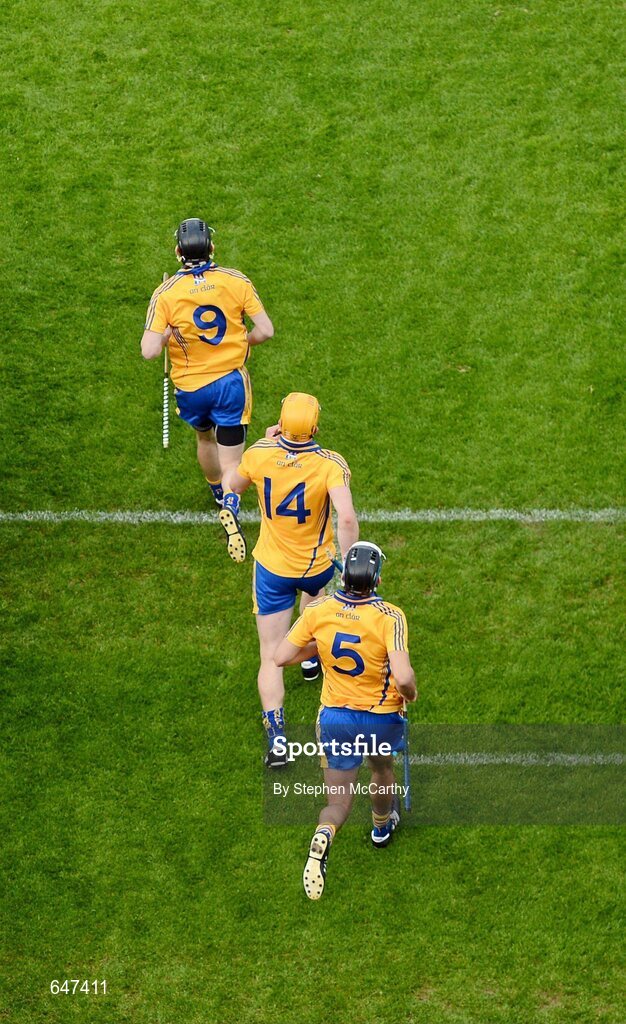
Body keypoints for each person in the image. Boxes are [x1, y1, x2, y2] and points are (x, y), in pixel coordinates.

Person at [220, 392, 359, 766]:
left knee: (270, 655)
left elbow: (231, 484)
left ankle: (278, 741)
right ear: (314, 427)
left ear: (280, 422)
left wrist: (265, 443)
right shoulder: (330, 464)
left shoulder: (260, 453)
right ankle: (311, 661)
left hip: (271, 568)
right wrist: (349, 563)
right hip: (316, 567)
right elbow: (345, 518)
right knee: (314, 618)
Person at [274, 541, 417, 900]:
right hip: (380, 718)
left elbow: (281, 656)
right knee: (381, 771)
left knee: (337, 802)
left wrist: (320, 650)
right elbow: (402, 678)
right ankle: (381, 828)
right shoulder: (390, 616)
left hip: (336, 717)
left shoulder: (320, 609)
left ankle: (325, 831)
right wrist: (411, 694)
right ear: (377, 579)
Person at [140, 218, 274, 505]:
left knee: (204, 439)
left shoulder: (165, 293)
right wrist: (242, 342)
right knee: (231, 463)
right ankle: (230, 502)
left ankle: (217, 491)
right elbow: (266, 331)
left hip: (191, 388)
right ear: (212, 247)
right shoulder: (236, 280)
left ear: (178, 252)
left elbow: (149, 351)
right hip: (230, 385)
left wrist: (165, 335)